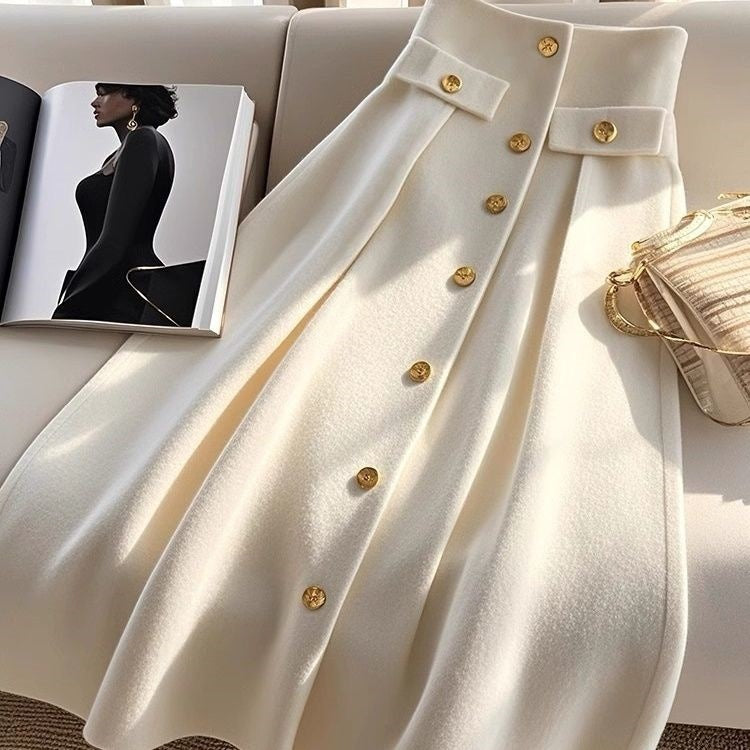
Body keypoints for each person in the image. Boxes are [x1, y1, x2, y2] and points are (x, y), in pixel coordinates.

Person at [52, 83, 178, 324]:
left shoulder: (143, 139)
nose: (94, 102)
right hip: (107, 286)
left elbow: (115, 240)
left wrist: (67, 307)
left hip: (123, 291)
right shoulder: (121, 153)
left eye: (103, 94)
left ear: (134, 98)